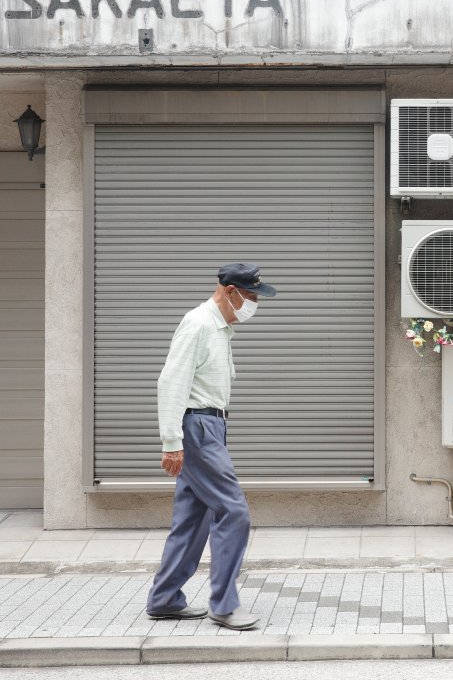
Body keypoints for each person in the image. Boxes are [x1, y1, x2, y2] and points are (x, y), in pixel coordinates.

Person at [145, 262, 277, 630]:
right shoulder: (199, 324)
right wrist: (171, 442)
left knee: (192, 516)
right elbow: (170, 382)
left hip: (209, 426)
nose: (254, 305)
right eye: (251, 296)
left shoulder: (221, 328)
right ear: (231, 292)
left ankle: (165, 599)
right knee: (233, 512)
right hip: (198, 427)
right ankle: (223, 604)